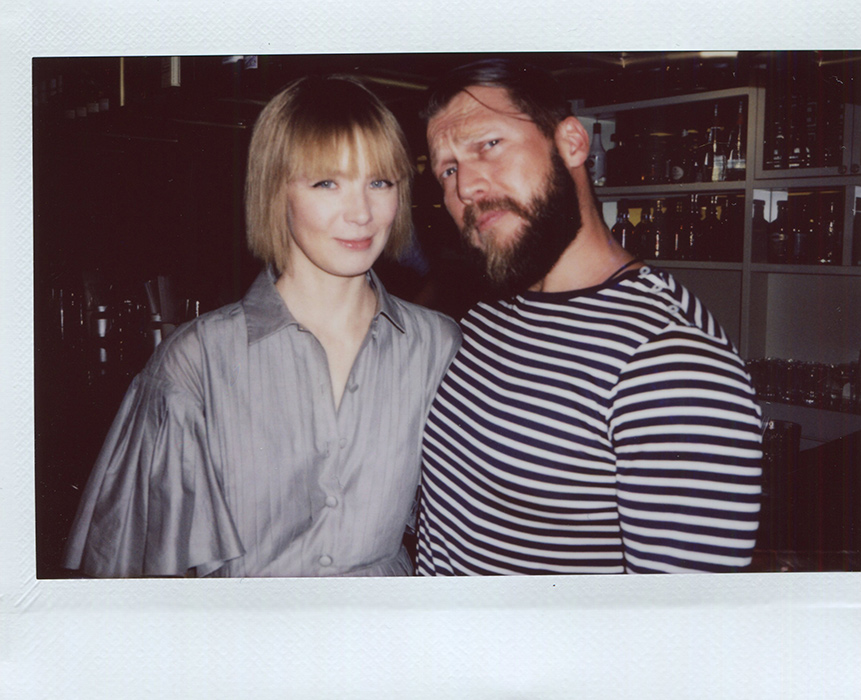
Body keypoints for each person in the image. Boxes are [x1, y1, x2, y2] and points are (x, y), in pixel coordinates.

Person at [62, 75, 461, 578]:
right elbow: (135, 577)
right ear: (276, 192)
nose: (362, 213)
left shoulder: (439, 346)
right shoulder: (195, 363)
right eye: (327, 183)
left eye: (380, 182)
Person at [415, 59, 763, 575]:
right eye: (447, 169)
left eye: (488, 144)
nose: (465, 186)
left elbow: (680, 619)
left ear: (572, 143)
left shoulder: (672, 365)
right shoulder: (489, 315)